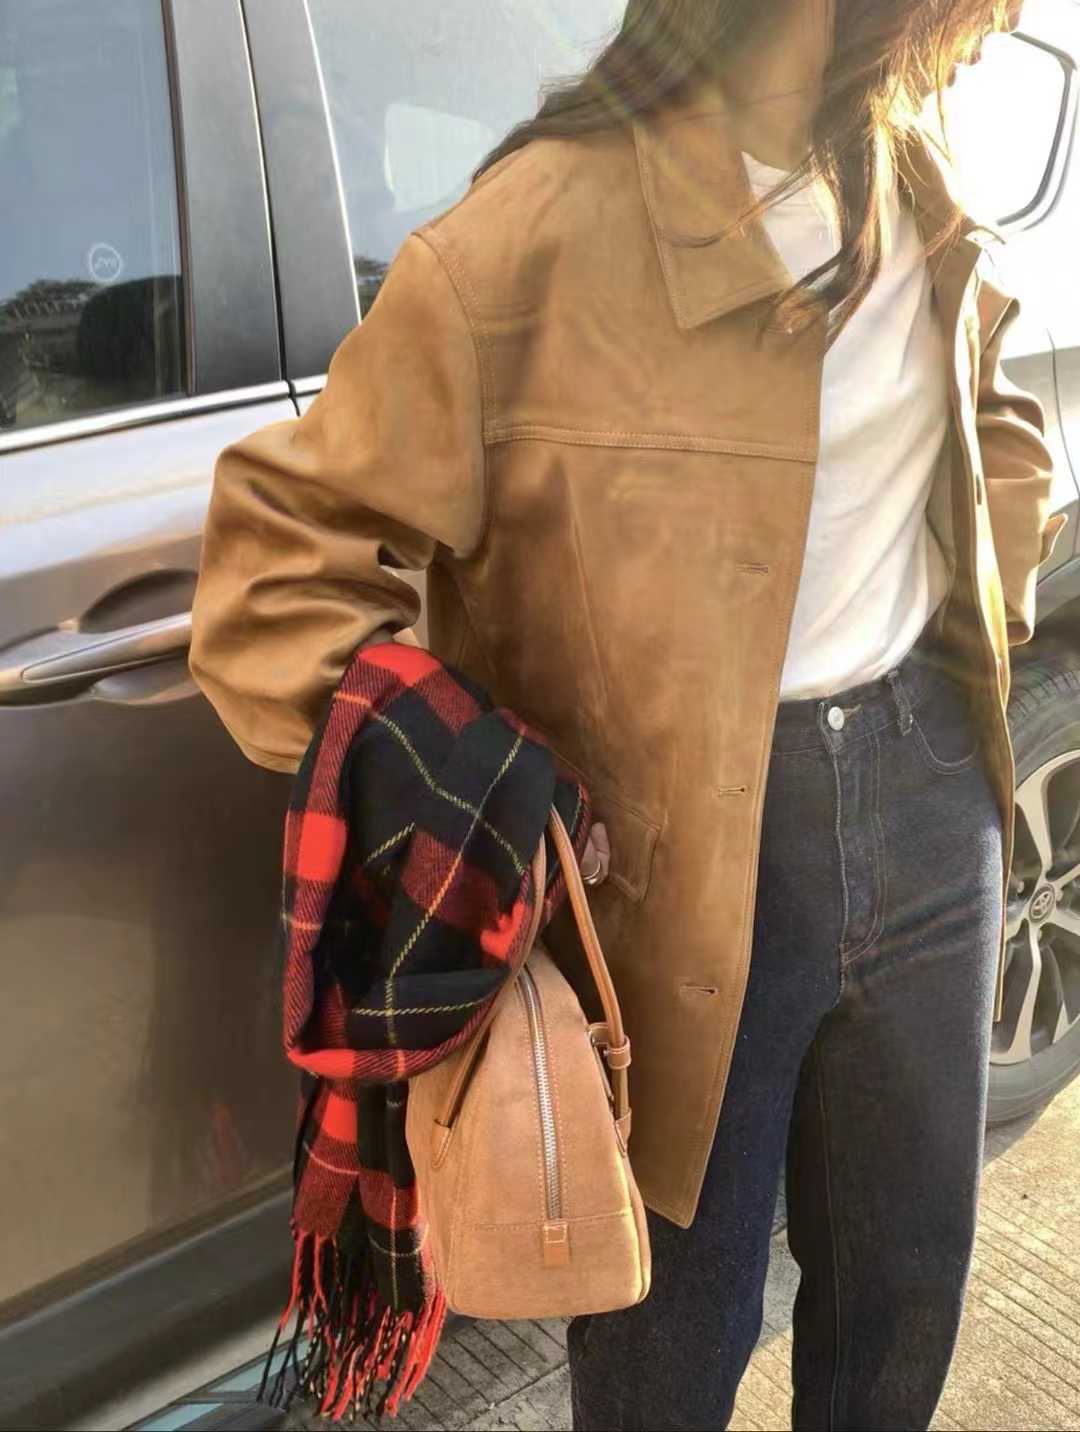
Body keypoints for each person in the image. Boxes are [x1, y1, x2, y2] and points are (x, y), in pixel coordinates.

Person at [189, 1, 1066, 1427]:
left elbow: (990, 400)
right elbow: (269, 570)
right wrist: (468, 780)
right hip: (679, 867)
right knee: (672, 1339)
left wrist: (990, 604)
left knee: (907, 1288)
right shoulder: (537, 233)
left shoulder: (908, 161)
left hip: (930, 797)